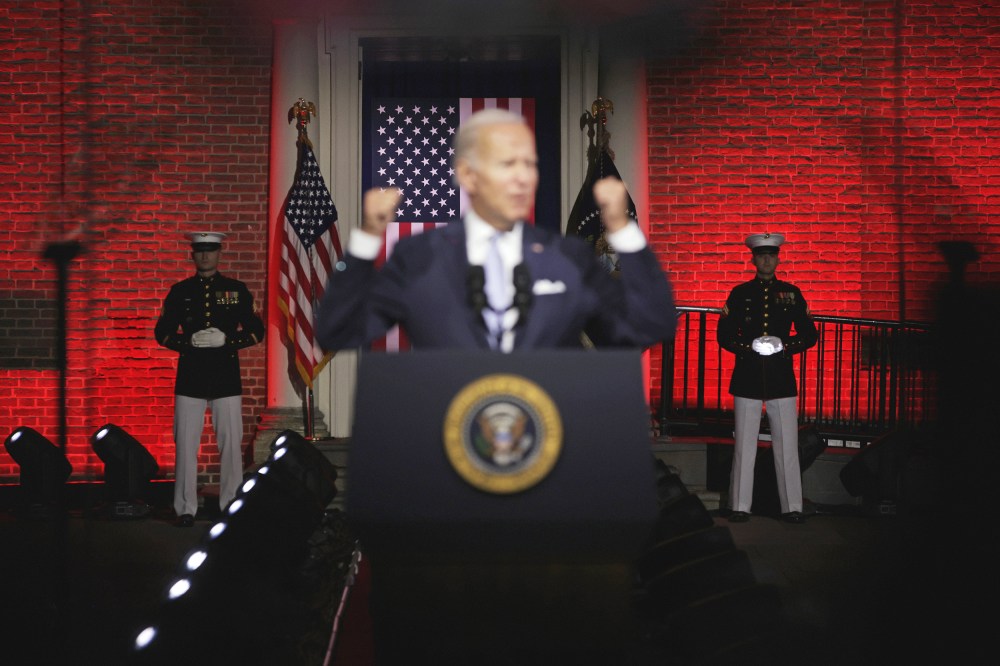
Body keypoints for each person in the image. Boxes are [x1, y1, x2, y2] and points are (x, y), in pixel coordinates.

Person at [316, 108, 675, 353]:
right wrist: (364, 241)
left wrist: (625, 236)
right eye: (507, 164)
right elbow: (337, 331)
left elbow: (649, 328)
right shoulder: (419, 259)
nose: (522, 177)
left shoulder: (567, 258)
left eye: (529, 164)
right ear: (468, 175)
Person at [155, 231, 265, 527]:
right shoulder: (180, 291)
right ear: (193, 255)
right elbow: (162, 333)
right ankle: (185, 509)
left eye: (210, 251)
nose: (205, 256)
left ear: (219, 254)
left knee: (230, 445)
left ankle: (230, 507)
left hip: (225, 377)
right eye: (199, 251)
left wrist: (227, 340)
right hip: (190, 377)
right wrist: (187, 342)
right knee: (186, 446)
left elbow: (257, 330)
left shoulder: (236, 290)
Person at [717, 232, 817, 524]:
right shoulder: (739, 293)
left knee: (786, 445)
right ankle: (739, 505)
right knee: (744, 445)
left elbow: (810, 334)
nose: (767, 260)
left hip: (780, 375)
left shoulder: (791, 293)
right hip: (748, 374)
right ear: (753, 259)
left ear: (778, 258)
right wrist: (748, 347)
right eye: (762, 255)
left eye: (771, 255)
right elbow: (724, 335)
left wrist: (785, 346)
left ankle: (792, 506)